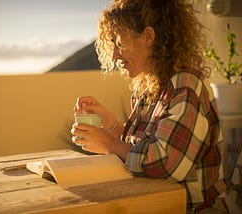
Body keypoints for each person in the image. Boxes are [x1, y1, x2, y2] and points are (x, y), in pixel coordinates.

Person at [71, 0, 228, 213]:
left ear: (147, 37)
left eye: (119, 43)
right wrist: (111, 123)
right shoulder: (149, 88)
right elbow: (140, 149)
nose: (115, 55)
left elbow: (166, 164)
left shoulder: (185, 87)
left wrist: (109, 143)